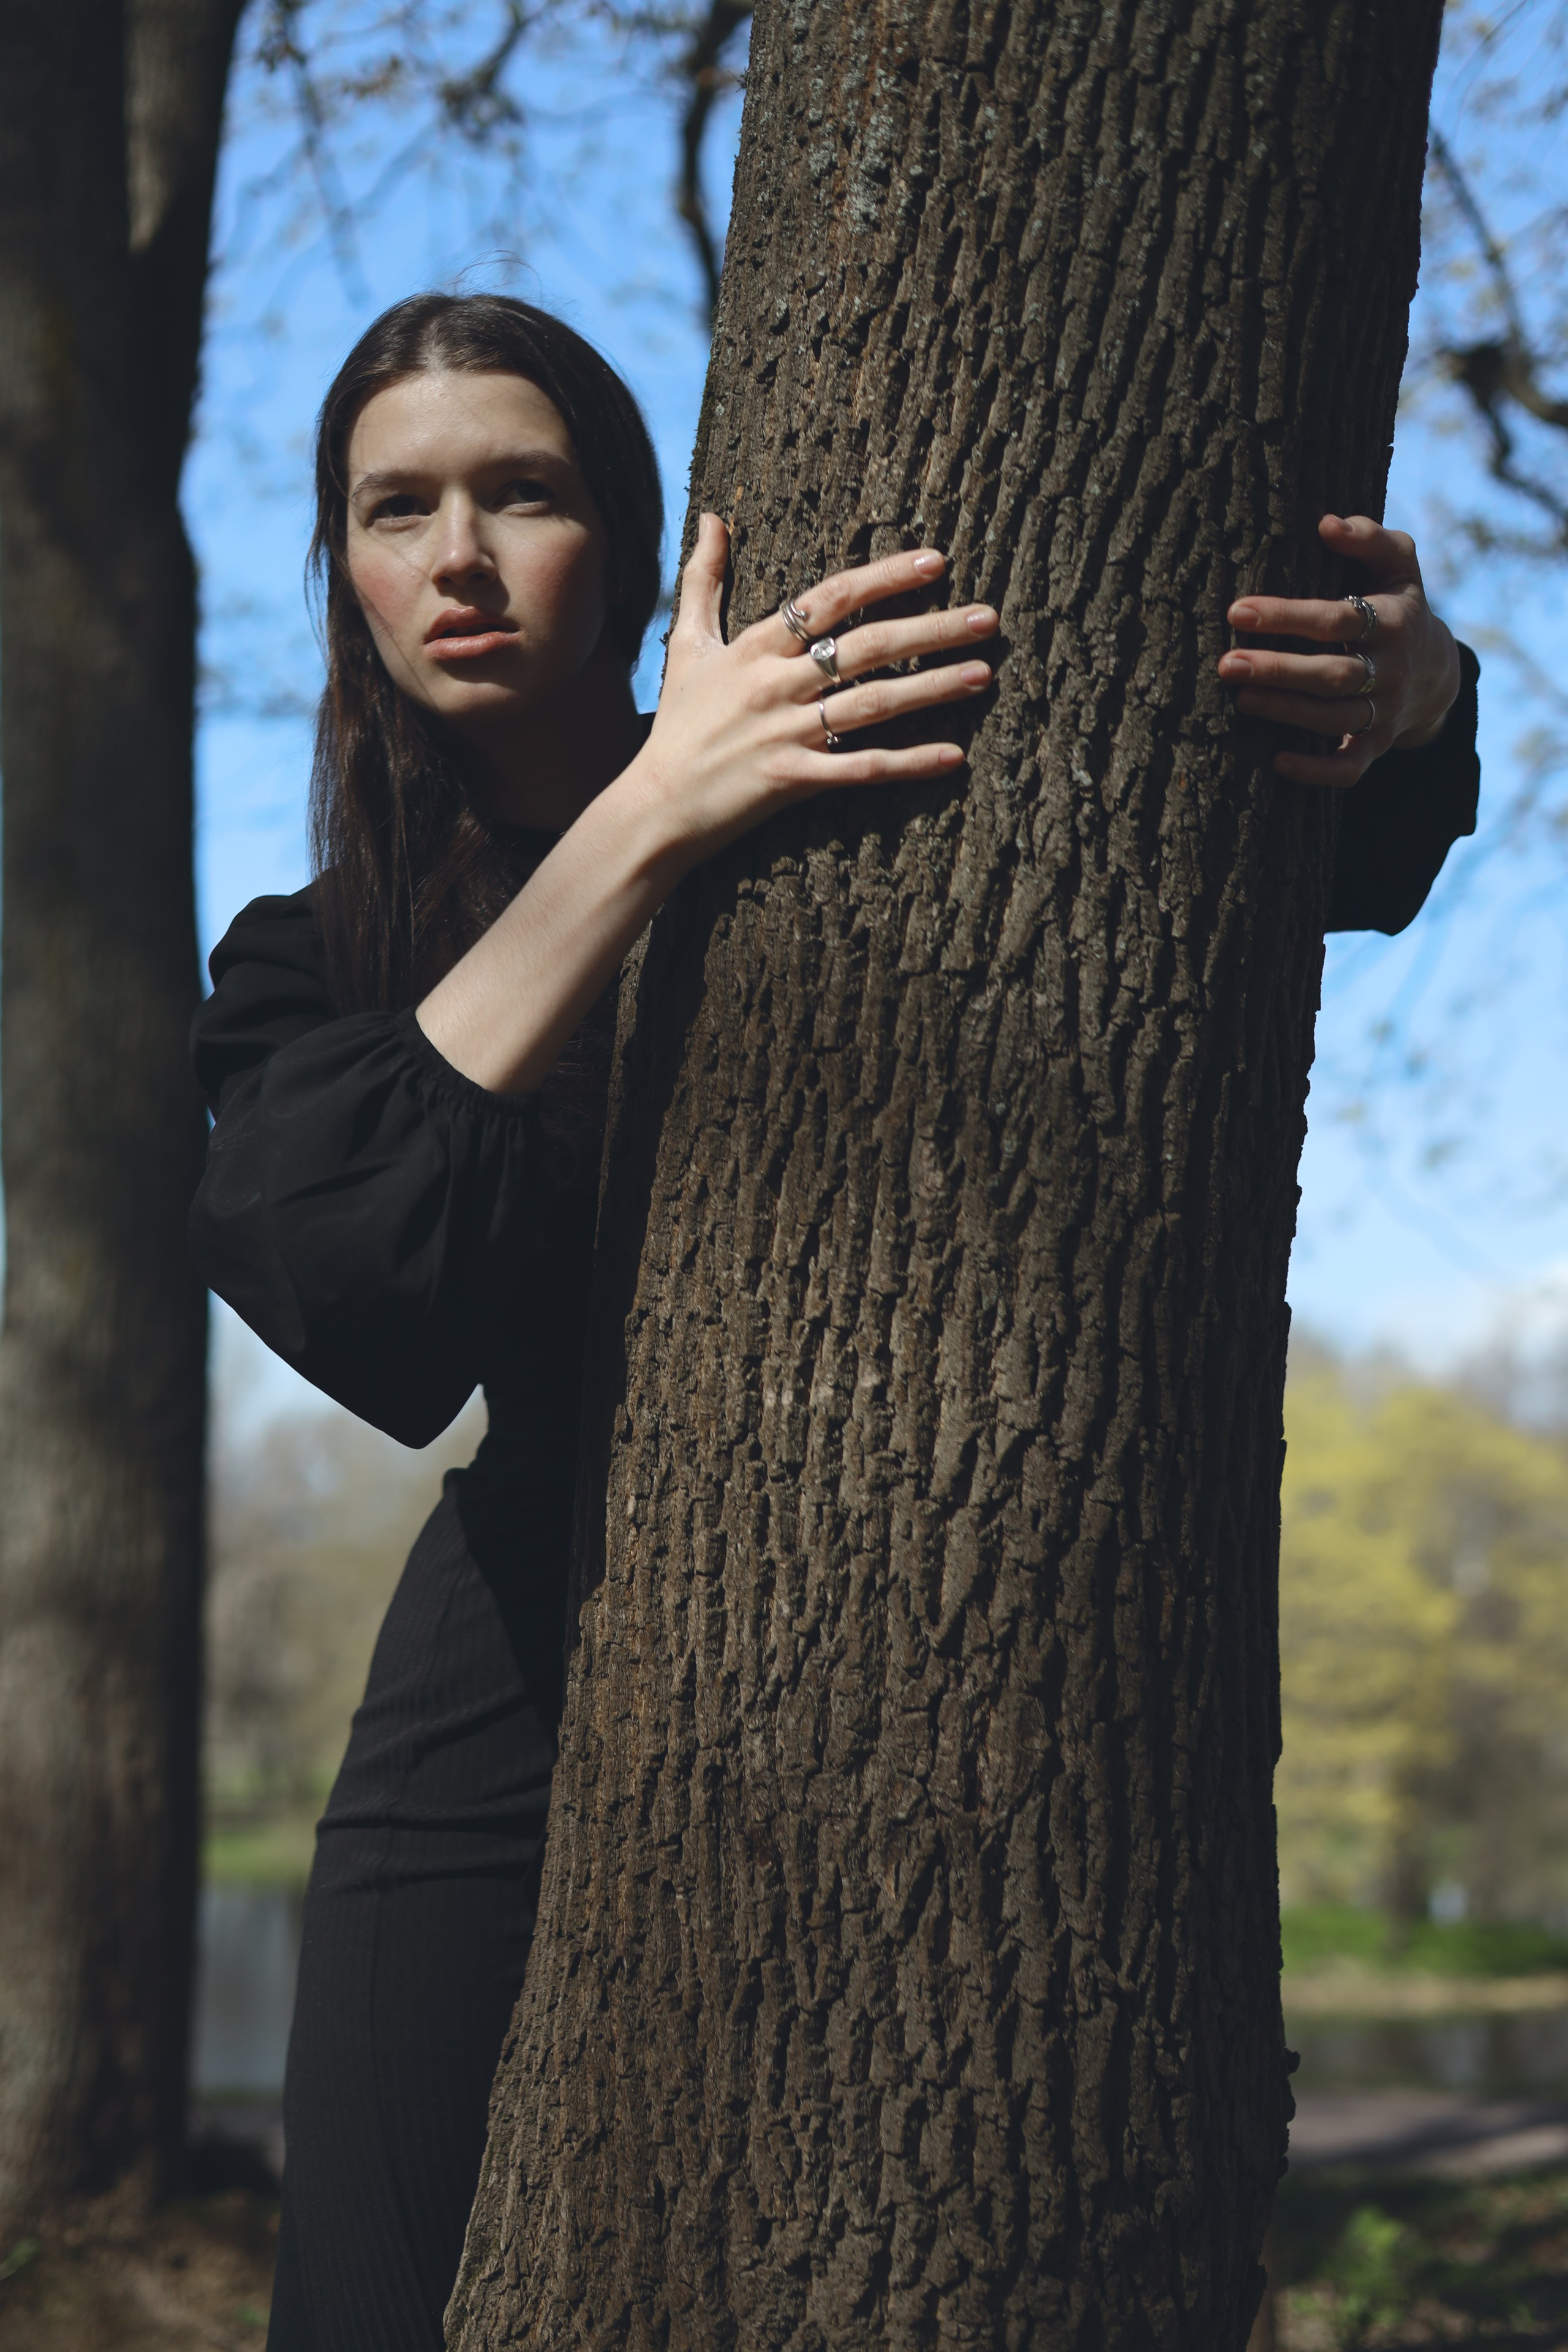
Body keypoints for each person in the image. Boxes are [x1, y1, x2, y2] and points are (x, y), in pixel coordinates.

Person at [189, 291, 1480, 2351]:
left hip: (941, 1630)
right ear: (340, 566)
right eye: (394, 508)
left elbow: (1236, 862)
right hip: (500, 1677)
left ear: (635, 535)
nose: (459, 558)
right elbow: (346, 1284)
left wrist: (1417, 699)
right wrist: (651, 813)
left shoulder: (828, 773)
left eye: (524, 494)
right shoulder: (315, 954)